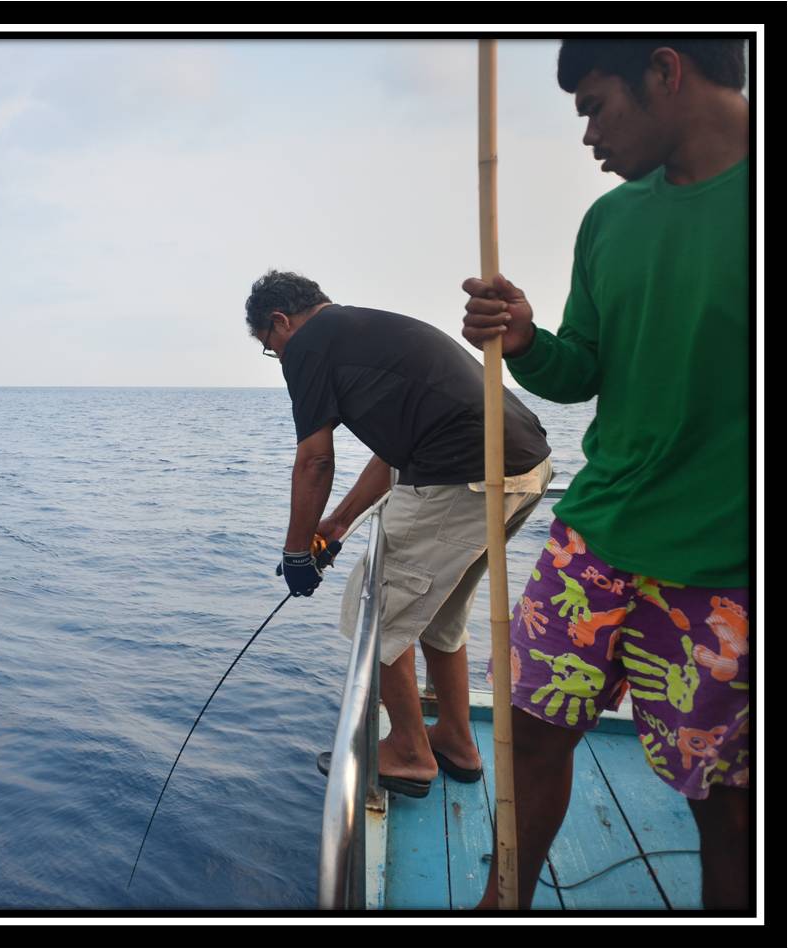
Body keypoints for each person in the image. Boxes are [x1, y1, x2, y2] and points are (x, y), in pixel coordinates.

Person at [460, 38, 750, 910]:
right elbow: (582, 367)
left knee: (729, 808)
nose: (587, 135)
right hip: (593, 541)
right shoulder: (610, 220)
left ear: (665, 70)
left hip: (722, 571)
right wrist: (524, 341)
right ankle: (501, 905)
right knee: (530, 741)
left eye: (594, 106)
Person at [247, 269, 552, 799]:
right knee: (439, 617)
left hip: (463, 473)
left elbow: (315, 459)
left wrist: (297, 554)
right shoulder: (364, 331)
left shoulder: (310, 346)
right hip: (524, 467)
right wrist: (339, 522)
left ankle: (410, 753)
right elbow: (395, 446)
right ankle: (456, 740)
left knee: (372, 613)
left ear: (280, 321)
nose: (280, 360)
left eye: (271, 348)